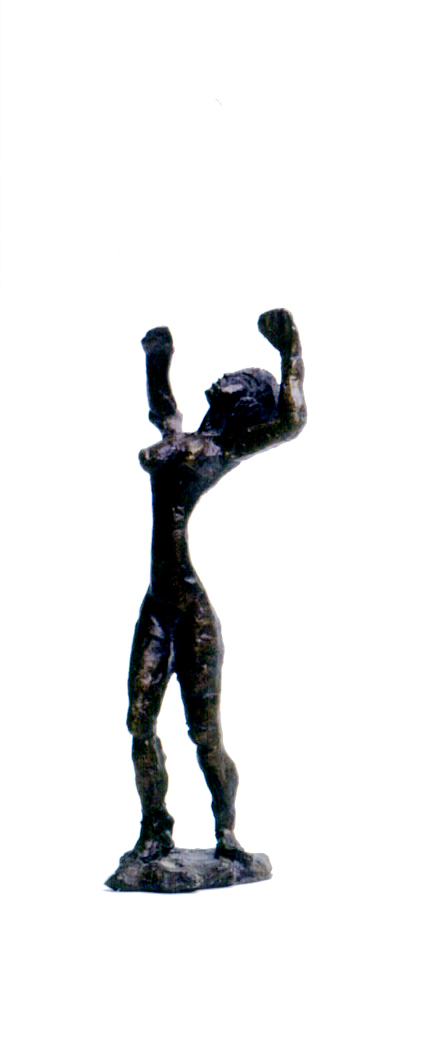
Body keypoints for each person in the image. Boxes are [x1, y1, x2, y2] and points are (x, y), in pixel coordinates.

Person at [126, 309, 306, 863]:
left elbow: (292, 421)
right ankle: (155, 828)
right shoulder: (181, 436)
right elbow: (163, 404)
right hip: (158, 607)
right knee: (138, 721)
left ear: (244, 402)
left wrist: (291, 353)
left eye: (235, 379)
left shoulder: (223, 450)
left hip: (192, 615)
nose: (221, 379)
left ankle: (226, 831)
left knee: (205, 736)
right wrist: (157, 356)